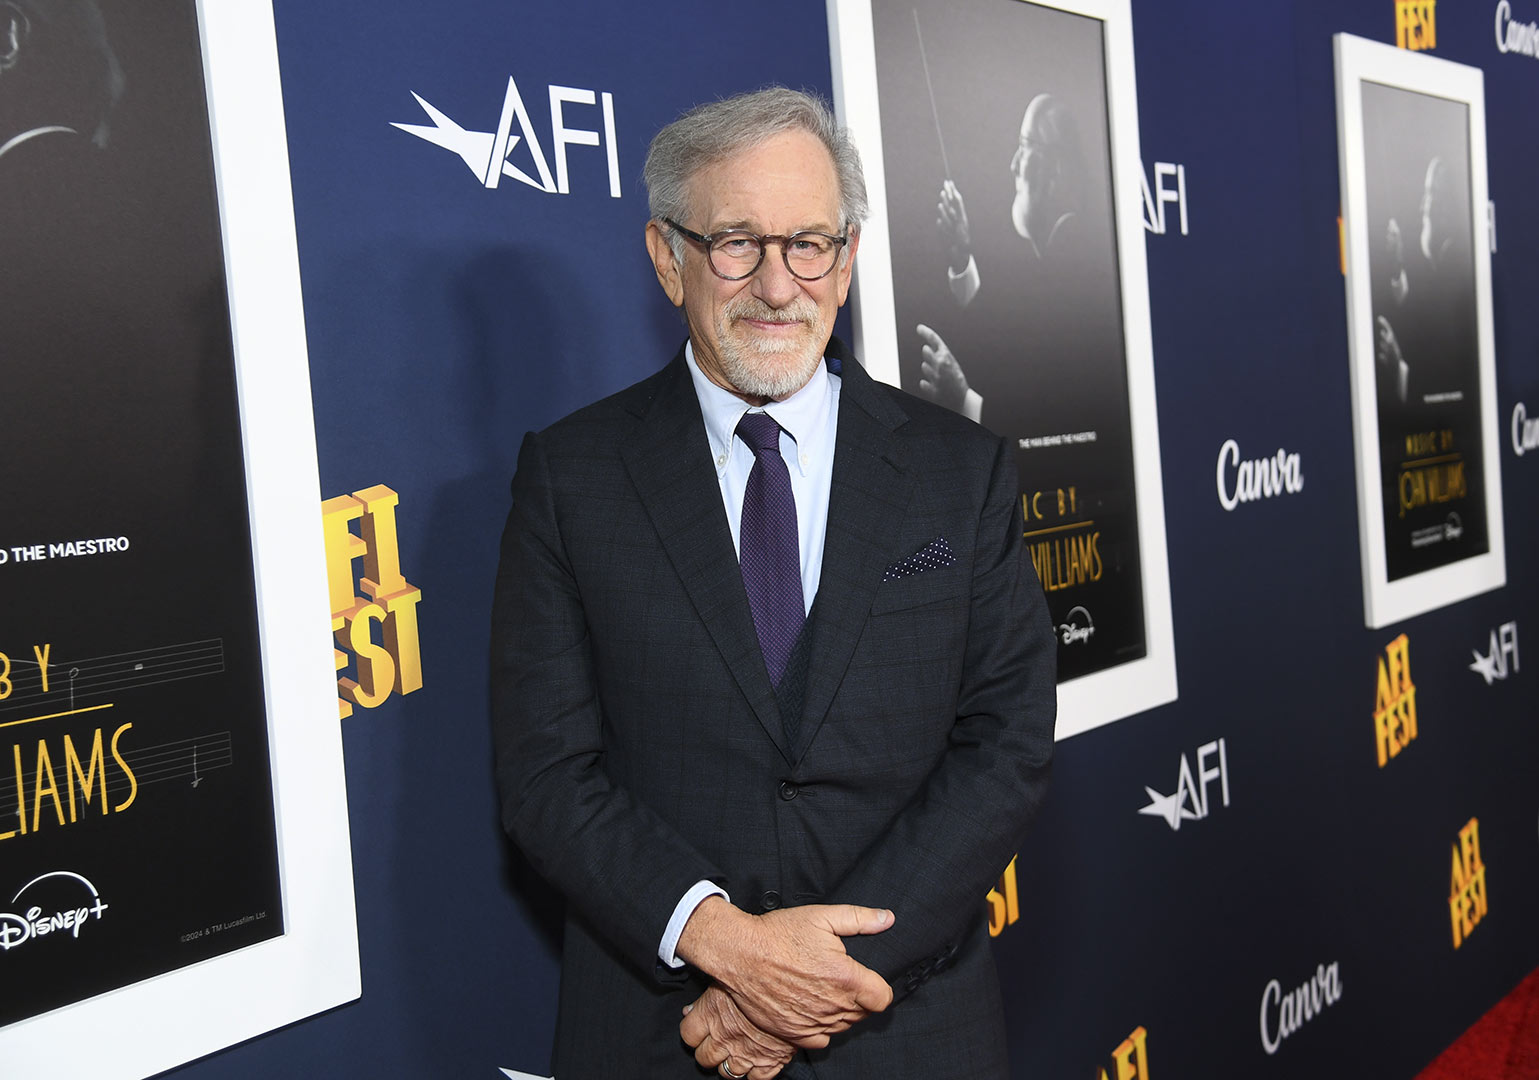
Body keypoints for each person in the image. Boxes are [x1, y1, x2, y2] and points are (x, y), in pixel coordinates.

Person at [492, 86, 1055, 1080]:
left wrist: (807, 990)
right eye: (735, 243)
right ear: (669, 259)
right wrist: (723, 942)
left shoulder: (959, 473)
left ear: (845, 261)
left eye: (809, 243)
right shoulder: (570, 477)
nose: (777, 283)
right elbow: (546, 775)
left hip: (906, 1028)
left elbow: (1003, 748)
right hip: (662, 1030)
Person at [915, 92, 1086, 424]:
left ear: (1057, 170)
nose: (1014, 165)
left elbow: (1052, 415)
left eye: (1027, 147)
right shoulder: (1049, 260)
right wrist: (962, 258)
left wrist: (963, 400)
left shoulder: (1073, 269)